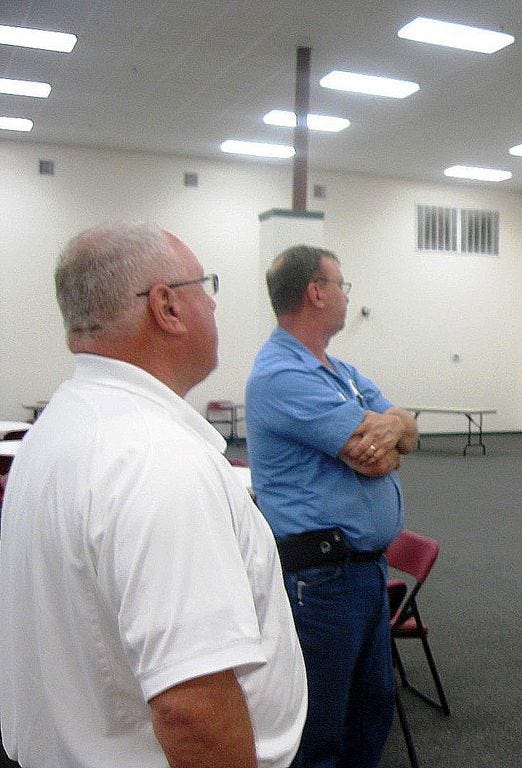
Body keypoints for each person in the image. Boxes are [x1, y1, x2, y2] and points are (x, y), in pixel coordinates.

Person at [0, 222, 307, 767]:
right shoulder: (157, 460)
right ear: (167, 306)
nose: (213, 304)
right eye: (203, 285)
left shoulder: (59, 428)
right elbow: (192, 709)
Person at [246, 245, 418, 768]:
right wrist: (393, 434)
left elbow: (405, 427)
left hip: (364, 572)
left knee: (369, 717)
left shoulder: (337, 369)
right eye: (342, 285)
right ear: (316, 293)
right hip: (320, 579)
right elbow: (371, 459)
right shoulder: (282, 375)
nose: (347, 296)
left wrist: (396, 429)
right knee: (321, 730)